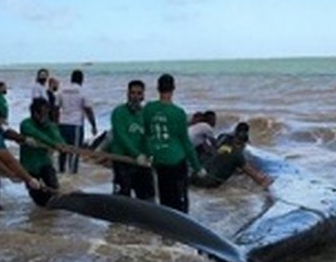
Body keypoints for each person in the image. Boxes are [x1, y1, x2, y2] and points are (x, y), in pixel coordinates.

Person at [143, 74, 203, 213]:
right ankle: (182, 228)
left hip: (159, 160)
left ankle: (167, 228)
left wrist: (148, 154)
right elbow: (185, 143)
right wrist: (197, 167)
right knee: (180, 200)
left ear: (158, 88)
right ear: (173, 88)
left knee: (165, 199)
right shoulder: (178, 113)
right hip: (176, 160)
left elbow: (146, 135)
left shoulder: (148, 109)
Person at [109, 79, 155, 200]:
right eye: (133, 93)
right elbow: (121, 135)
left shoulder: (145, 114)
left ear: (143, 96)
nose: (135, 96)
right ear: (127, 94)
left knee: (148, 198)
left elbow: (148, 137)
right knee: (122, 199)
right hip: (122, 160)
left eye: (139, 93)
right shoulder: (119, 112)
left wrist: (150, 154)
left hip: (141, 162)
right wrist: (136, 154)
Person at [192, 122, 272, 189]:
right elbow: (253, 175)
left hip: (196, 177)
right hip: (208, 183)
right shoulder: (237, 155)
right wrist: (266, 181)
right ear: (243, 144)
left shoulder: (224, 146)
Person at [19, 98, 66, 206]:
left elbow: (56, 135)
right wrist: (54, 144)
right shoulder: (26, 124)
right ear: (35, 113)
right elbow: (37, 134)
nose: (45, 117)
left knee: (54, 187)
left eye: (47, 114)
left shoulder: (49, 125)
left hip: (45, 162)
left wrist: (62, 144)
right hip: (29, 165)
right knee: (37, 196)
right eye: (43, 114)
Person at [57, 69, 97, 173]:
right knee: (74, 151)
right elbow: (88, 110)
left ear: (71, 78)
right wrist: (93, 125)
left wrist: (55, 123)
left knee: (62, 150)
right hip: (76, 125)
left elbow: (55, 108)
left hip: (62, 123)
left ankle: (61, 171)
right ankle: (72, 174)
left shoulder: (62, 90)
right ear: (82, 80)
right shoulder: (83, 91)